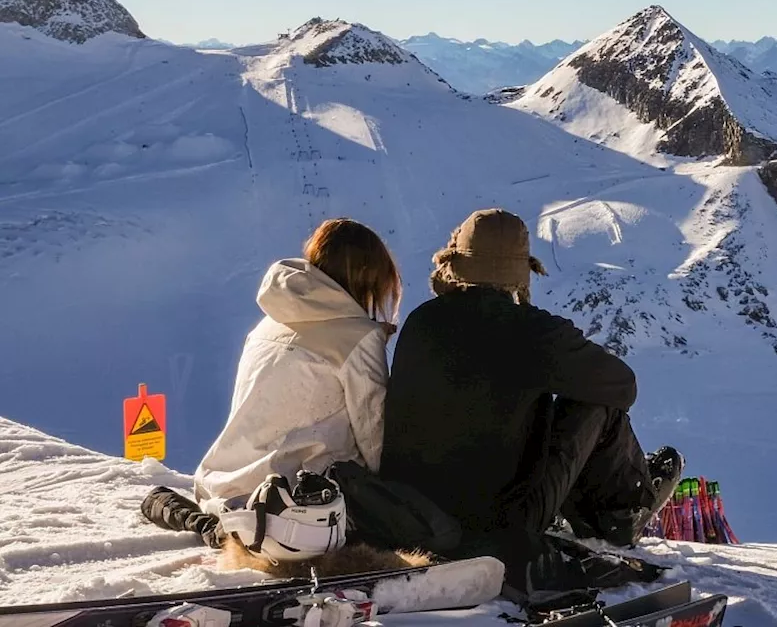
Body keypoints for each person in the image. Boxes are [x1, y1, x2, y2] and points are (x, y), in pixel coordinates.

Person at [381, 208, 683, 552]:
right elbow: (621, 385)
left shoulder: (421, 321)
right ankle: (623, 511)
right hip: (495, 524)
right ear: (521, 271)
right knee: (594, 402)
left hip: (410, 514)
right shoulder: (534, 331)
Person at [141, 217, 405, 562]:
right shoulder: (358, 337)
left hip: (224, 486)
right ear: (370, 279)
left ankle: (226, 527)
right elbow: (376, 441)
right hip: (298, 502)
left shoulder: (270, 321)